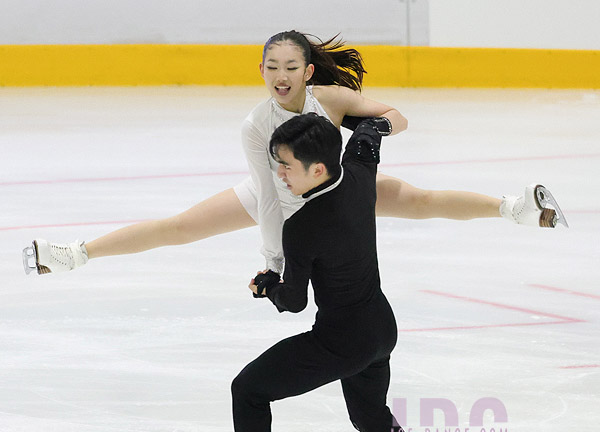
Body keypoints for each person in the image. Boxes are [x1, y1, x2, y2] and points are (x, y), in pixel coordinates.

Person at [22, 30, 566, 277]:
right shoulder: (256, 125)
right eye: (271, 68)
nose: (280, 76)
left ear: (307, 71)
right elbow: (268, 198)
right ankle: (75, 253)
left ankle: (515, 208)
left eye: (290, 68)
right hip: (276, 197)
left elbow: (397, 116)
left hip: (337, 188)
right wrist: (275, 259)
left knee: (418, 200)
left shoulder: (329, 98)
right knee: (181, 227)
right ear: (260, 71)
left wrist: (373, 130)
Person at [200, 113, 439, 432]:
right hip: (380, 328)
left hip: (341, 340)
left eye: (287, 166)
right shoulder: (360, 174)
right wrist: (375, 125)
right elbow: (371, 132)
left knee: (249, 390)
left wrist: (267, 286)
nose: (280, 175)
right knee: (370, 412)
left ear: (318, 169)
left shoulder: (304, 226)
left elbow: (294, 302)